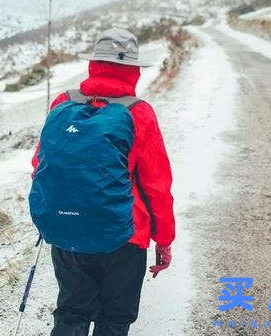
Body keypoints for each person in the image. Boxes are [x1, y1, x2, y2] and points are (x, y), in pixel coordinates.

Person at [29, 28, 175, 336]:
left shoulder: (62, 103)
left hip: (67, 232)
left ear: (94, 63)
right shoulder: (138, 112)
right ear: (133, 70)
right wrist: (163, 240)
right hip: (125, 238)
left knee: (71, 312)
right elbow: (156, 186)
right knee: (114, 319)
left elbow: (40, 164)